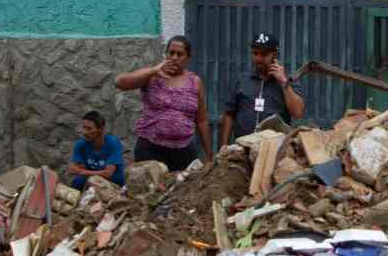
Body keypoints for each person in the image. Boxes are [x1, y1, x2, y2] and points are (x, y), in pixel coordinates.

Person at [115, 35, 213, 171]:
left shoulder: (195, 82)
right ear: (165, 54)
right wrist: (153, 71)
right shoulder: (151, 76)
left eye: (180, 54)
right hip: (150, 149)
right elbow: (119, 83)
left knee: (181, 190)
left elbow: (201, 120)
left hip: (183, 151)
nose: (174, 57)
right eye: (171, 53)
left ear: (188, 58)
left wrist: (209, 153)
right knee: (150, 190)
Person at [220, 32, 306, 144]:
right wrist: (223, 145)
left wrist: (284, 83)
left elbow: (298, 113)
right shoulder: (242, 80)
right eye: (255, 54)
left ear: (274, 55)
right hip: (243, 149)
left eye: (264, 54)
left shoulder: (288, 81)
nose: (258, 58)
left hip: (273, 150)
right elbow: (229, 114)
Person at [68, 111, 125, 191]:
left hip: (113, 183)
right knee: (77, 182)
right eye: (83, 127)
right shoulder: (80, 145)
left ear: (101, 129)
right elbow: (74, 168)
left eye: (89, 128)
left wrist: (81, 171)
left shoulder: (113, 143)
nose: (84, 132)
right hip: (91, 181)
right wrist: (81, 171)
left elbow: (108, 173)